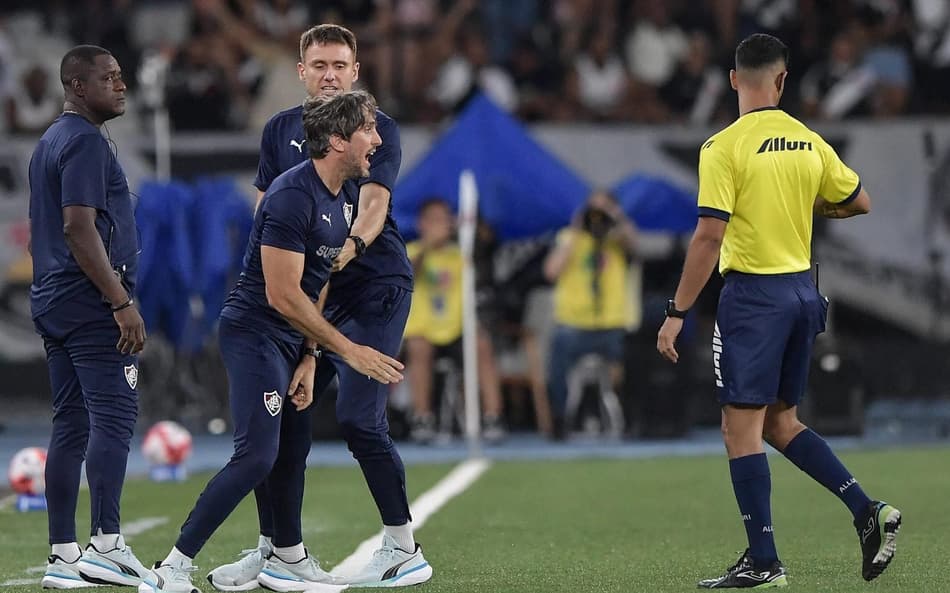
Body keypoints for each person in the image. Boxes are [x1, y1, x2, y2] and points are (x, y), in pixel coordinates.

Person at [657, 33, 901, 589]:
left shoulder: (724, 146)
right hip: (801, 293)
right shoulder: (809, 141)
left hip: (754, 300)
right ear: (784, 80)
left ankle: (764, 562)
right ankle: (868, 512)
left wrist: (677, 310)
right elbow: (858, 201)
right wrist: (807, 201)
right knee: (780, 422)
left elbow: (707, 236)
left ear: (733, 79)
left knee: (738, 430)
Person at [139, 90, 404, 593]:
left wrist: (310, 357)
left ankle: (288, 558)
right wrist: (351, 352)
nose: (377, 139)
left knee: (289, 447)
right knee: (257, 455)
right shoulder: (290, 195)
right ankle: (170, 568)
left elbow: (319, 279)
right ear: (335, 140)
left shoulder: (342, 195)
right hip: (255, 333)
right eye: (367, 130)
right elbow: (283, 296)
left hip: (291, 340)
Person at [206, 24, 430, 590]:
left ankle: (404, 546)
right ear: (301, 72)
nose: (330, 75)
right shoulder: (279, 130)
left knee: (358, 416)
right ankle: (279, 550)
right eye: (319, 65)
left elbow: (375, 207)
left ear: (356, 72)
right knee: (280, 417)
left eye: (340, 65)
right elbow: (268, 224)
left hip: (372, 285)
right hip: (310, 292)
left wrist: (345, 250)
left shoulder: (377, 130)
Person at [29, 44, 151, 589]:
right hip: (88, 300)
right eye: (108, 78)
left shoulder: (51, 139)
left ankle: (63, 553)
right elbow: (79, 228)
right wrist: (120, 301)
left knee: (72, 423)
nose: (120, 85)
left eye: (121, 76)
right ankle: (106, 544)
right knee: (115, 418)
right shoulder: (82, 142)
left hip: (55, 297)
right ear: (78, 86)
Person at [403, 198, 506, 444]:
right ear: (423, 224)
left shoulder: (461, 255)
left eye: (446, 219)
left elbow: (485, 260)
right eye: (436, 220)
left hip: (457, 329)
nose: (443, 225)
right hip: (424, 331)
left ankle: (493, 417)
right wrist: (429, 246)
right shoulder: (411, 251)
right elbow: (408, 275)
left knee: (482, 344)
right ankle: (422, 417)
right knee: (419, 347)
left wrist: (470, 231)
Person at [543, 190, 638, 440]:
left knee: (632, 355)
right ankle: (560, 417)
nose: (597, 217)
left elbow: (634, 244)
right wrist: (577, 229)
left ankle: (627, 417)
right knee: (558, 352)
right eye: (593, 210)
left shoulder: (616, 240)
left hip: (611, 324)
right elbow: (551, 272)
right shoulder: (569, 238)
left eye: (602, 211)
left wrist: (616, 217)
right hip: (574, 324)